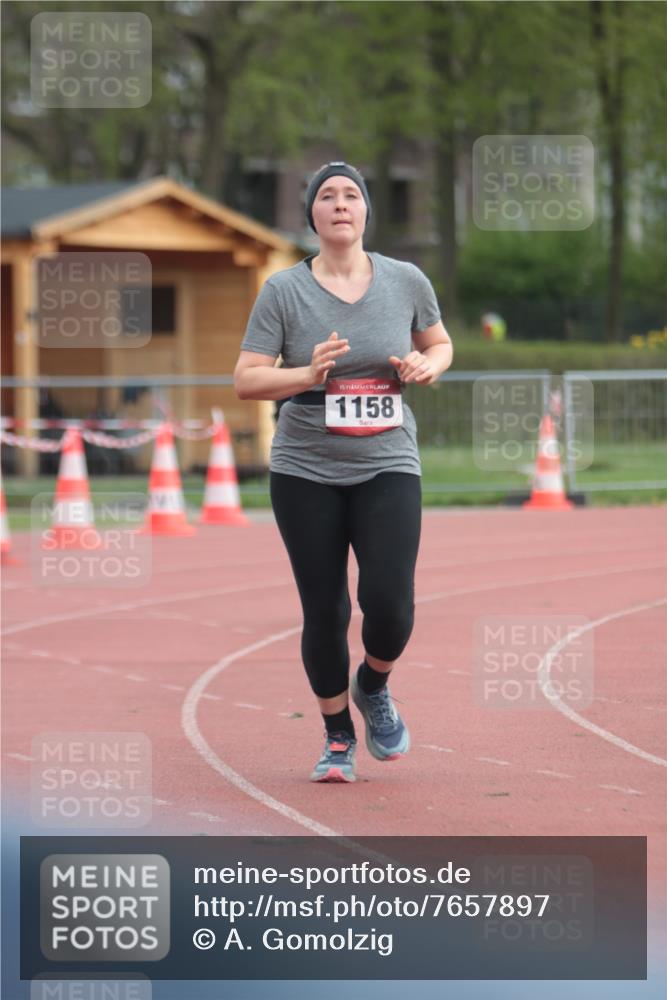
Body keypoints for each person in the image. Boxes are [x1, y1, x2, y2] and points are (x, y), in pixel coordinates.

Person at [234, 161, 453, 783]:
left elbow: (440, 342)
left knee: (390, 603)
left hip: (386, 458)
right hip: (305, 465)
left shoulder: (406, 279)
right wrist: (305, 375)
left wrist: (427, 364)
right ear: (311, 213)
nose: (338, 204)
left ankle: (373, 684)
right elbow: (246, 378)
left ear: (365, 212)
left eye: (350, 195)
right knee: (325, 609)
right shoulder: (284, 290)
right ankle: (336, 736)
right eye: (325, 196)